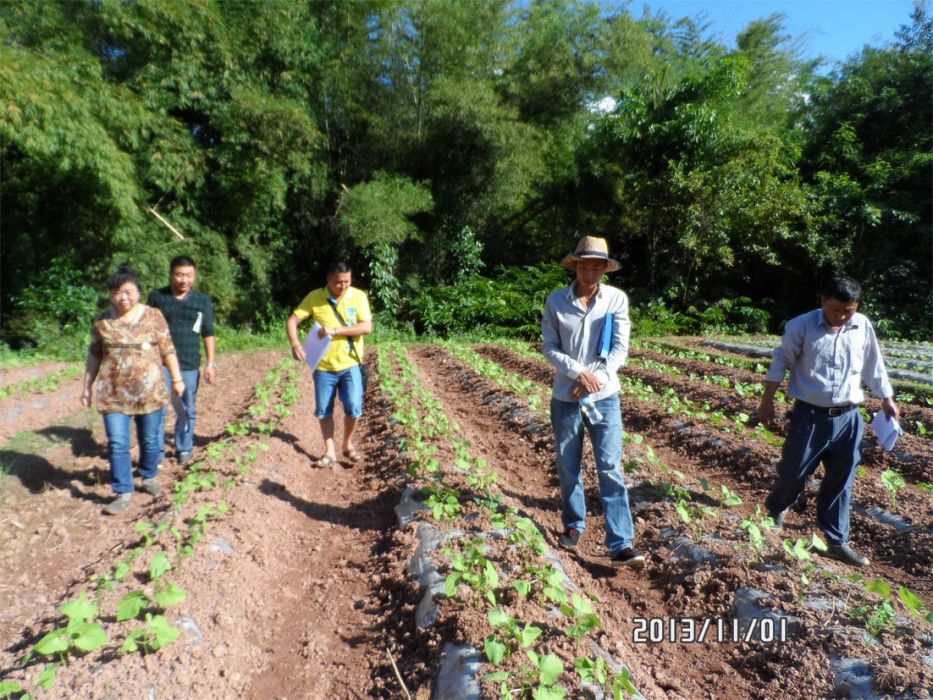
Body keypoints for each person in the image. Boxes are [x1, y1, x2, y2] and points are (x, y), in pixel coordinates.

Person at [759, 276, 899, 567]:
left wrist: (886, 398)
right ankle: (776, 508)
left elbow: (874, 364)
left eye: (849, 310)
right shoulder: (801, 326)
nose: (843, 316)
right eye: (837, 310)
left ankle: (836, 540)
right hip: (810, 414)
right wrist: (767, 400)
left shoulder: (862, 325)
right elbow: (781, 361)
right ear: (823, 301)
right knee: (794, 471)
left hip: (849, 417)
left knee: (842, 478)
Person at [542, 236, 645, 569]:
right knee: (568, 464)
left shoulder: (616, 300)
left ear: (604, 268)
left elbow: (619, 349)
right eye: (583, 265)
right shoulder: (556, 302)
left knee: (610, 468)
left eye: (595, 266)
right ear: (575, 266)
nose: (588, 272)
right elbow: (550, 347)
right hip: (566, 396)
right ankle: (574, 525)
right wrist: (577, 374)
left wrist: (593, 379)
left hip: (604, 396)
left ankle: (621, 544)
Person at [81, 263, 186, 515]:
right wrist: (87, 386)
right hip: (113, 392)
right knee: (117, 443)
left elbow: (167, 348)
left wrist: (178, 378)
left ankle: (148, 476)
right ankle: (122, 491)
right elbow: (94, 355)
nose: (123, 297)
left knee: (150, 439)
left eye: (128, 291)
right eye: (117, 292)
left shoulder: (153, 315)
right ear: (111, 294)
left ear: (138, 291)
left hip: (150, 390)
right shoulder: (102, 321)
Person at [286, 261, 372, 467]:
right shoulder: (315, 297)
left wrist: (335, 330)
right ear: (328, 280)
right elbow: (292, 321)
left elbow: (366, 327)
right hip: (323, 367)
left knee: (353, 407)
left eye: (347, 282)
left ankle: (347, 444)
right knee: (324, 410)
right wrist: (295, 343)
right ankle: (330, 451)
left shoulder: (358, 296)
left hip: (350, 363)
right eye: (338, 282)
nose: (343, 286)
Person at [147, 256, 216, 465]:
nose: (183, 280)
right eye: (179, 275)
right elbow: (147, 330)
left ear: (194, 276)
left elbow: (208, 332)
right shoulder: (157, 297)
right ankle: (156, 453)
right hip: (160, 364)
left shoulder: (201, 300)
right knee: (157, 408)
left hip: (189, 364)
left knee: (187, 409)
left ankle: (184, 448)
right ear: (171, 275)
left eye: (188, 275)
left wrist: (210, 363)